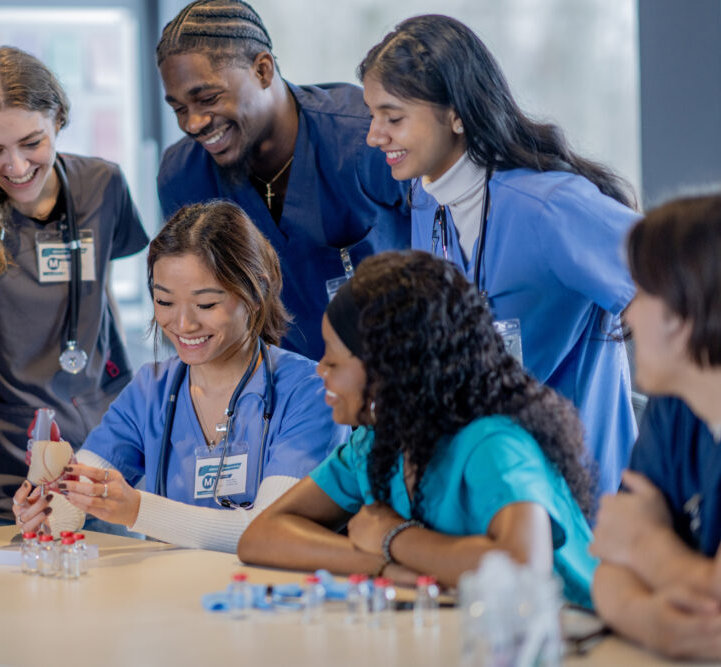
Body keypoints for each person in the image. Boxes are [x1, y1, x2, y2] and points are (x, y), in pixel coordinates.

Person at [358, 14, 639, 497]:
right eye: (372, 115)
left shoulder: (550, 207)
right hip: (493, 483)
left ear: (456, 113)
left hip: (584, 491)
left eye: (393, 117)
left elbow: (677, 291)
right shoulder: (427, 200)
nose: (373, 136)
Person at [238, 251, 597, 608]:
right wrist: (381, 564)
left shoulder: (493, 442)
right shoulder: (376, 441)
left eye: (333, 358)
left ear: (389, 367)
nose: (321, 371)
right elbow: (261, 536)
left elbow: (523, 568)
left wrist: (393, 537)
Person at [0, 46, 148, 528]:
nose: (15, 167)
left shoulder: (103, 186)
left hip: (104, 462)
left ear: (58, 118)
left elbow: (103, 305)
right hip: (2, 472)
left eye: (31, 143)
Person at [15, 200, 348, 552]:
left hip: (273, 599)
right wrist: (47, 507)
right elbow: (82, 490)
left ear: (257, 291)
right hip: (172, 598)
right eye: (165, 302)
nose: (184, 324)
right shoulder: (151, 390)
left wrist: (138, 510)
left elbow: (272, 531)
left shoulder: (311, 392)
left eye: (206, 305)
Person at [155, 0, 409, 361]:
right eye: (179, 109)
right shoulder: (183, 176)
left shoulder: (365, 137)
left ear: (262, 70)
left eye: (208, 99)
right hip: (279, 394)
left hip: (398, 374)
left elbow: (453, 250)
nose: (193, 123)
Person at [591, 194, 721, 660]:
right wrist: (657, 625)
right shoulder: (677, 405)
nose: (627, 315)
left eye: (643, 294)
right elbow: (608, 566)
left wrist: (646, 544)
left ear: (683, 315)